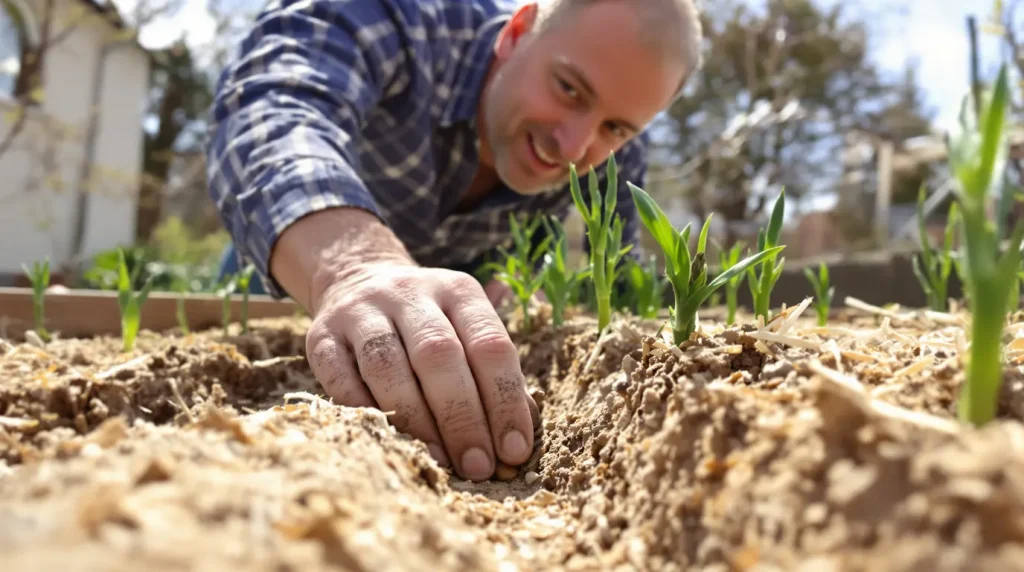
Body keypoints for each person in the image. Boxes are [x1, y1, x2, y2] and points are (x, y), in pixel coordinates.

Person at [206, 0, 702, 481]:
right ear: (517, 32)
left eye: (614, 127)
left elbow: (618, 281)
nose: (572, 147)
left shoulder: (615, 156)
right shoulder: (398, 18)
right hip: (291, 269)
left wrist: (528, 292)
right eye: (570, 89)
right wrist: (353, 267)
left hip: (447, 310)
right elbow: (273, 110)